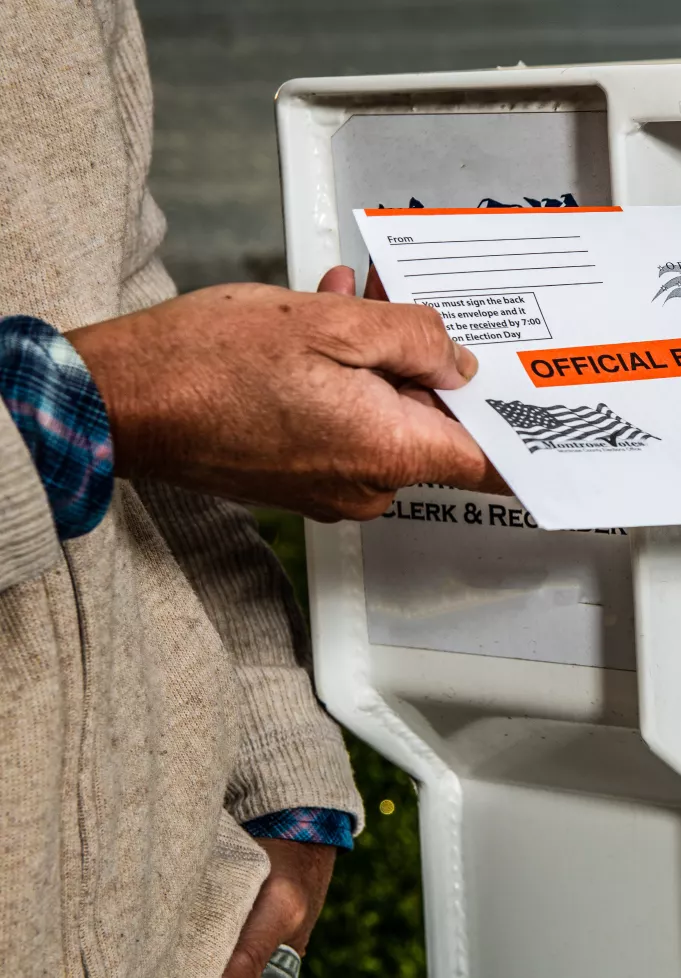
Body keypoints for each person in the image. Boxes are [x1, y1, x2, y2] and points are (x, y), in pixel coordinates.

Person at [1, 3, 502, 976]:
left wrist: (284, 771)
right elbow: (126, 369)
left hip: (167, 915)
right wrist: (121, 393)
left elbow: (109, 282)